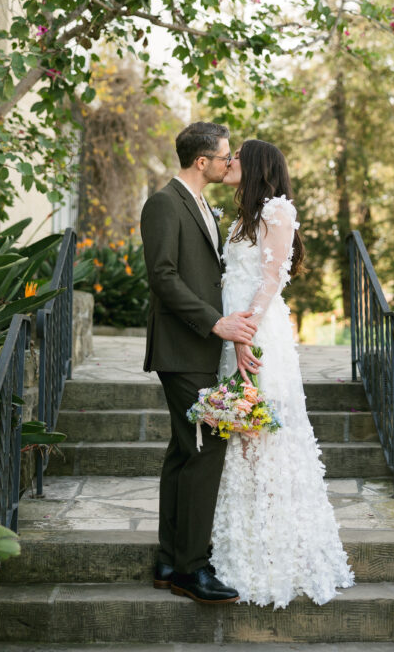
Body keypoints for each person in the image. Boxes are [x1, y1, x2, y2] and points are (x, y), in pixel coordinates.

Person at [210, 139, 354, 608]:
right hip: (233, 331)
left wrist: (245, 332)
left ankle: (273, 552)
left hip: (256, 331)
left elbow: (270, 279)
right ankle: (242, 543)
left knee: (261, 433)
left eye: (235, 158)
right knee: (240, 434)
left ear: (254, 165)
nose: (228, 163)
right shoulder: (241, 218)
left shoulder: (278, 209)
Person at [140, 121, 258, 605]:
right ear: (201, 161)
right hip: (183, 347)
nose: (231, 163)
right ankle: (192, 568)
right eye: (225, 156)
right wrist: (216, 324)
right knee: (209, 445)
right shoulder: (164, 204)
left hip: (199, 350)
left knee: (184, 450)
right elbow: (163, 278)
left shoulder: (203, 206)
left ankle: (170, 560)